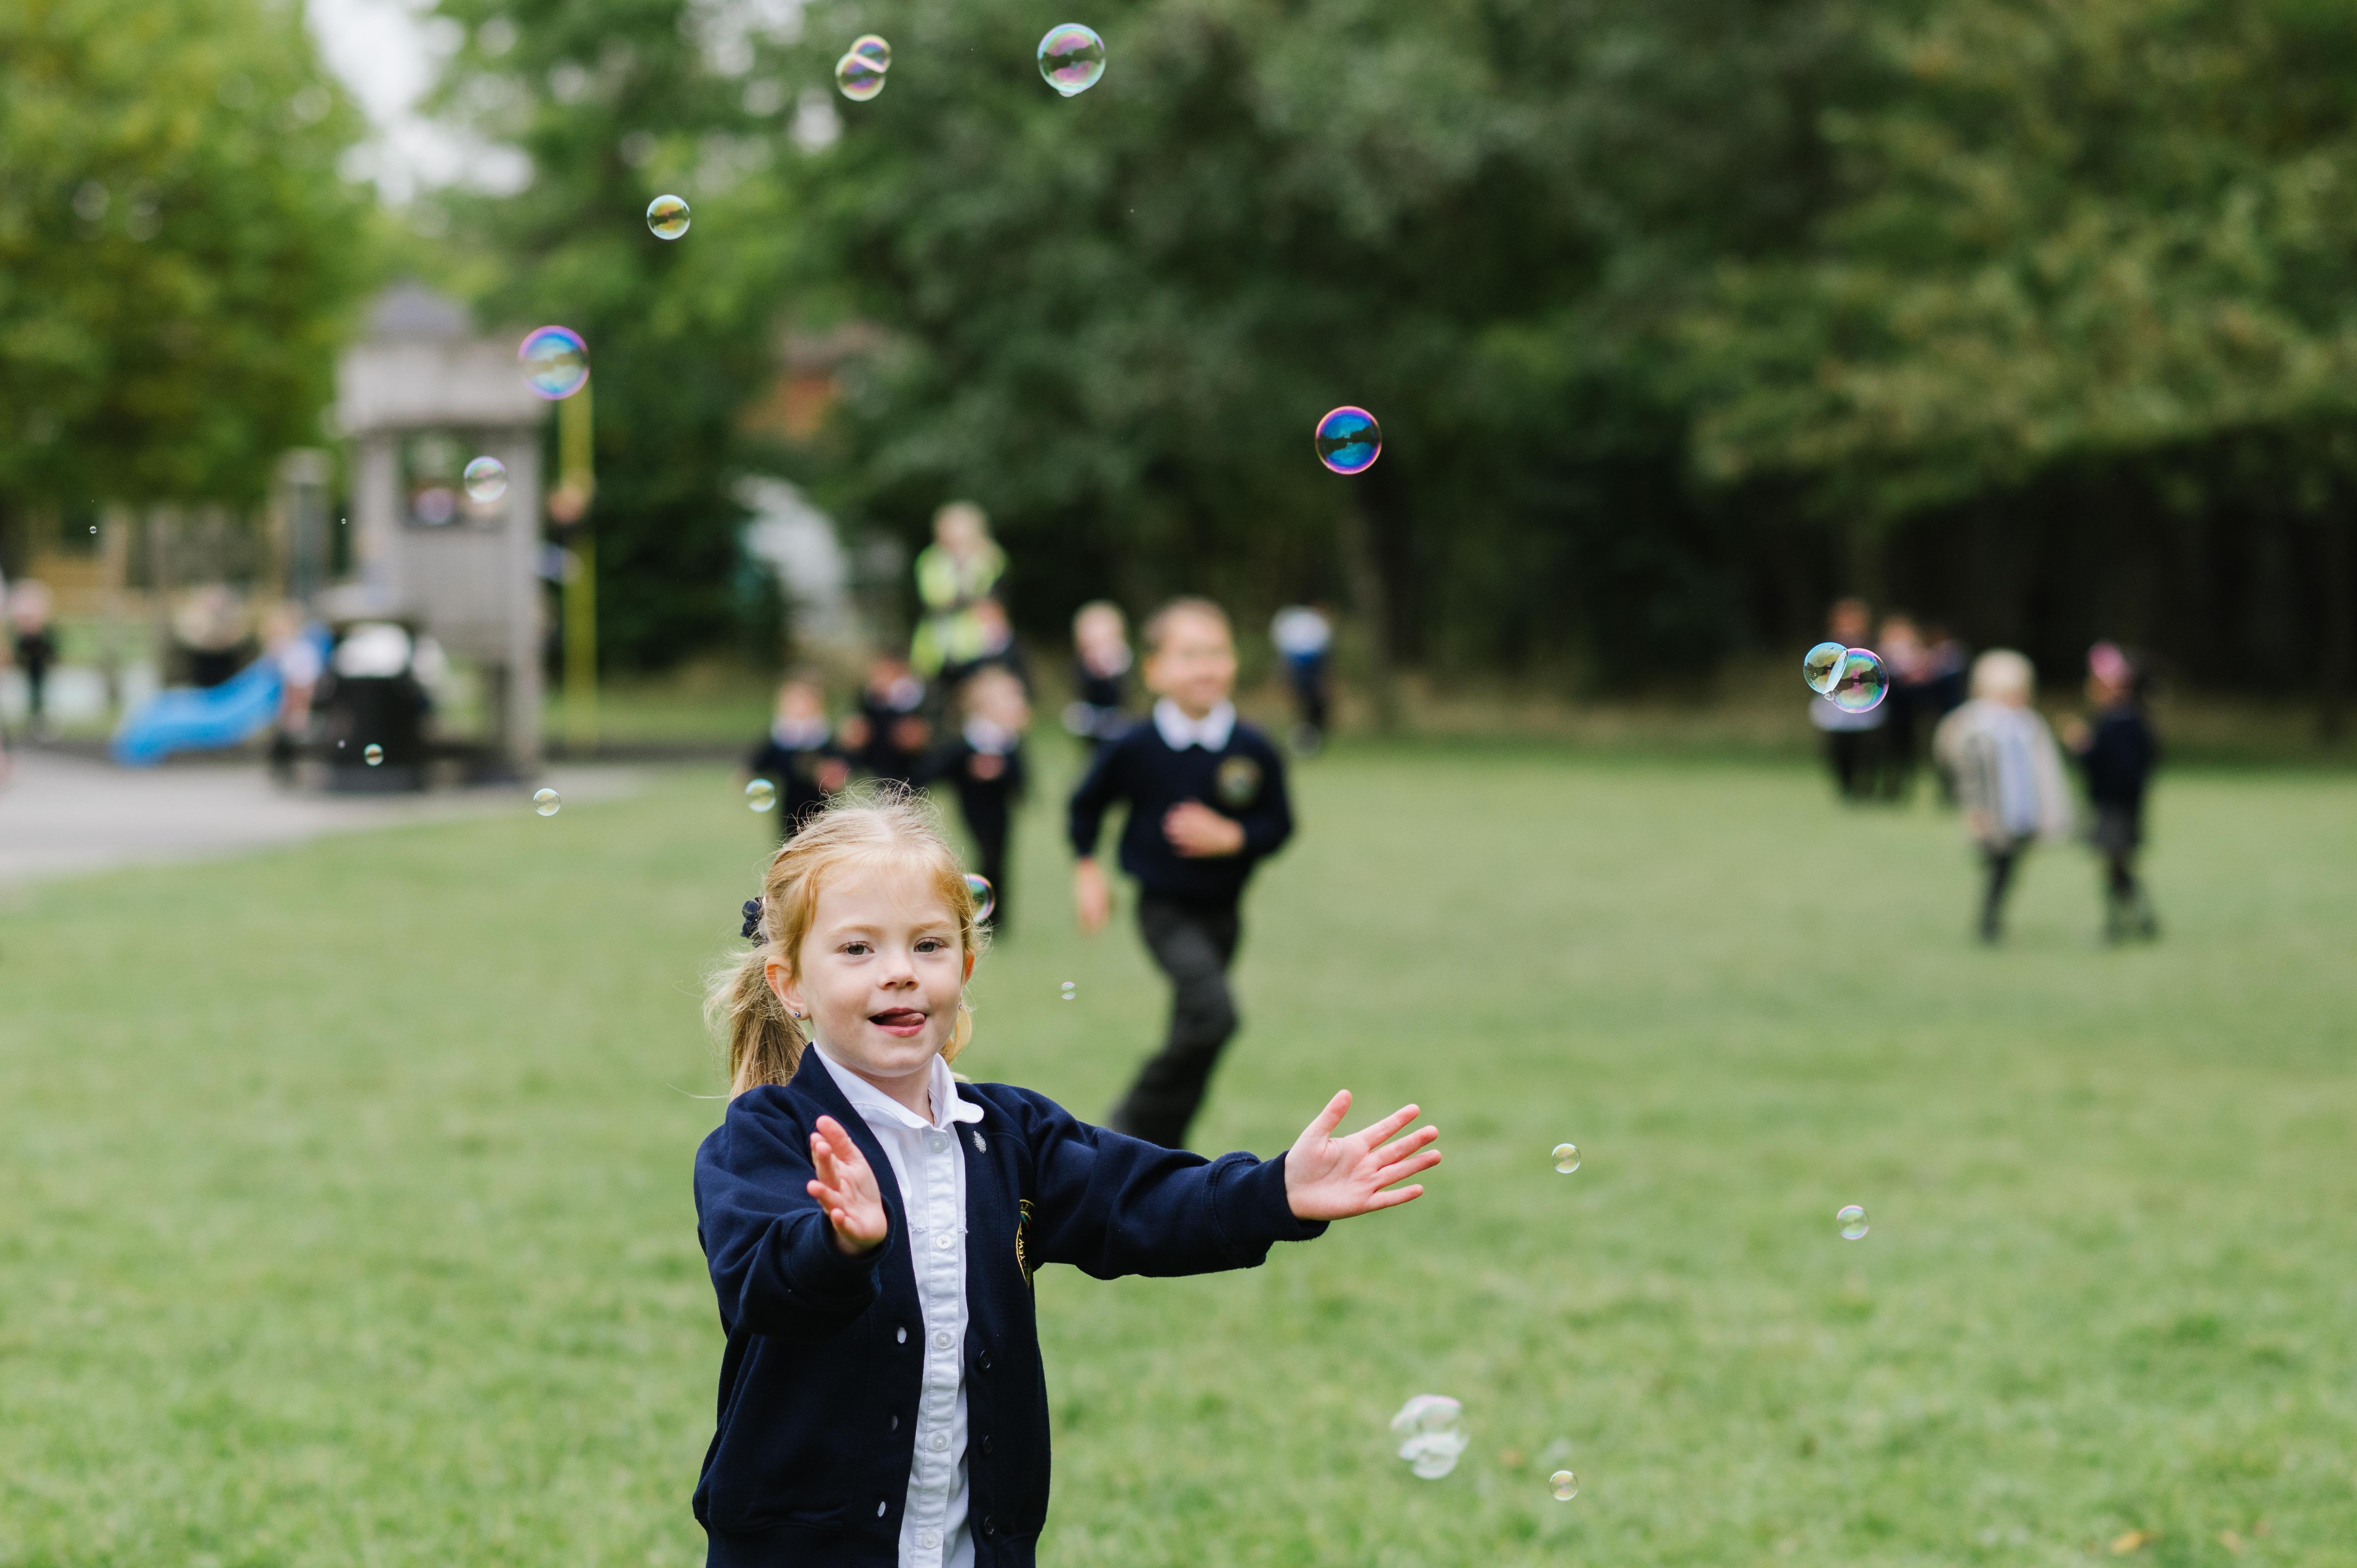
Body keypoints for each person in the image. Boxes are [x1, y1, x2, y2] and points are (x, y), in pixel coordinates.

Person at [694, 792, 1440, 1567]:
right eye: (857, 949)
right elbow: (757, 1284)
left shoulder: (1009, 1136)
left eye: (929, 945)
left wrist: (1275, 1192)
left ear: (965, 966)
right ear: (789, 984)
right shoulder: (766, 1139)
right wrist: (836, 1246)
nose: (900, 974)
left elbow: (1137, 1201)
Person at [1067, 599, 1294, 1148]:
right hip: (1163, 909)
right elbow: (1085, 805)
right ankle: (1129, 1119)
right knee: (1216, 1015)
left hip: (1226, 913)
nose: (1206, 667)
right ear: (1154, 670)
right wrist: (1088, 869)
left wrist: (1234, 836)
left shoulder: (1252, 746)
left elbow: (1279, 824)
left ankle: (1160, 1151)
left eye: (1217, 652)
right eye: (1189, 654)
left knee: (1195, 1029)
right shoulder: (1135, 745)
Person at [1933, 649, 2075, 943]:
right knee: (1999, 865)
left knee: (2007, 866)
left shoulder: (2028, 725)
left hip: (2021, 810)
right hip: (1992, 812)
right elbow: (1967, 775)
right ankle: (1989, 923)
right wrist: (1976, 812)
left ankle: (1991, 920)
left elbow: (2046, 774)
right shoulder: (1973, 728)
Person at [2062, 642, 2161, 941]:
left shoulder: (2119, 722)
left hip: (2116, 804)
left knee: (2115, 863)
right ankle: (2138, 920)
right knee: (2116, 865)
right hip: (2120, 802)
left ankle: (2122, 923)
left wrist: (2083, 747)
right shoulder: (2129, 719)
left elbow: (2114, 764)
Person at [921, 666, 1030, 933]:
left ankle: (996, 919)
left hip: (1000, 812)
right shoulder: (968, 739)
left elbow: (1021, 781)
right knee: (987, 855)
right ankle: (980, 912)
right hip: (974, 809)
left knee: (999, 860)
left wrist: (1001, 772)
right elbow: (940, 768)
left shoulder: (1009, 742)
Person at [746, 672, 855, 841]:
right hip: (790, 807)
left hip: (822, 806)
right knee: (791, 842)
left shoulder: (824, 737)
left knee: (822, 843)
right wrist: (749, 773)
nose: (799, 708)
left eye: (805, 703)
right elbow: (762, 761)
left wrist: (836, 773)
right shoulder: (781, 737)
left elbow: (842, 765)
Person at [909, 501, 1006, 680]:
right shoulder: (931, 560)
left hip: (982, 643)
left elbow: (993, 596)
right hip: (938, 647)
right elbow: (935, 600)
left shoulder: (991, 556)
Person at [1810, 597, 1884, 800]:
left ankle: (1867, 787)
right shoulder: (1827, 647)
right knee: (1840, 747)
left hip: (1866, 705)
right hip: (1836, 707)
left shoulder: (1872, 645)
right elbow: (1817, 673)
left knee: (1868, 749)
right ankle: (1846, 787)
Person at [838, 654, 932, 788]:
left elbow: (921, 737)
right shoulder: (867, 700)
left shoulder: (913, 702)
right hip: (874, 762)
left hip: (904, 766)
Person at [260, 604, 324, 785]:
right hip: (287, 704)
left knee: (291, 737)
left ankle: (290, 774)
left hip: (295, 703)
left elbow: (302, 685)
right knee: (284, 739)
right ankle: (286, 773)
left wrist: (301, 710)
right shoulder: (286, 650)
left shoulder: (301, 651)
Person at [1060, 600, 1133, 751]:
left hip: (1117, 725)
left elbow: (1125, 696)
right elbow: (1081, 692)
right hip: (1093, 725)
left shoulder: (1123, 663)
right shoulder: (1081, 665)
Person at [1269, 604, 1334, 755]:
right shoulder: (1312, 624)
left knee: (1314, 708)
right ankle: (1306, 741)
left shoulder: (1297, 621)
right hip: (1301, 671)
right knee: (1307, 708)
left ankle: (1310, 741)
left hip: (1306, 671)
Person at [9, 579, 57, 741]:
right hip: (33, 666)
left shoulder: (43, 634)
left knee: (39, 693)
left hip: (38, 666)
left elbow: (49, 650)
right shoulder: (25, 638)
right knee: (34, 693)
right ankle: (35, 720)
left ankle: (38, 720)